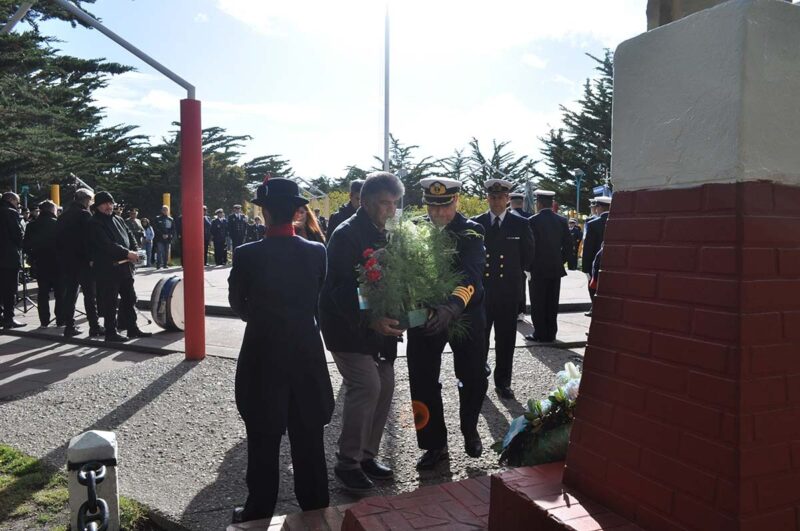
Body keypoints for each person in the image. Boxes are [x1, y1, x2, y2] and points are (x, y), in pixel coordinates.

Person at [229, 177, 333, 523]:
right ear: (297, 212)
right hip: (306, 354)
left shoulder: (246, 256)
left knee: (262, 436)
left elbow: (238, 307)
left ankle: (259, 508)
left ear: (266, 213)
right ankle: (316, 504)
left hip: (262, 354)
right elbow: (317, 297)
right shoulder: (317, 252)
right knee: (309, 437)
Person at [319, 171, 404, 492]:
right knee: (366, 384)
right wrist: (370, 319)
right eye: (385, 203)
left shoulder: (388, 231)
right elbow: (340, 289)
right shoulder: (346, 234)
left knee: (385, 386)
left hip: (380, 327)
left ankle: (367, 455)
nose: (391, 210)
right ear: (366, 201)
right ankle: (347, 463)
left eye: (395, 204)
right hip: (347, 324)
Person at [406, 177, 488, 470]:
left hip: (463, 312)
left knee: (472, 375)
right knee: (421, 378)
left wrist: (452, 307)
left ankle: (469, 427)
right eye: (432, 206)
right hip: (424, 314)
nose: (438, 213)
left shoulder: (471, 231)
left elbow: (472, 276)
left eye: (444, 206)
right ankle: (433, 444)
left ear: (456, 201)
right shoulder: (414, 229)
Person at [472, 180, 535, 400]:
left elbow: (528, 256)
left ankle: (503, 382)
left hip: (508, 292)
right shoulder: (477, 224)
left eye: (501, 197)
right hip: (483, 292)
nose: (497, 201)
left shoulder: (520, 225)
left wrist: (515, 276)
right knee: (480, 338)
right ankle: (478, 378)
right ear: (487, 198)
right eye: (493, 197)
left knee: (506, 340)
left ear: (508, 199)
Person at [89, 191, 151, 342]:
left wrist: (135, 251)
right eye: (104, 204)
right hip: (108, 267)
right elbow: (106, 244)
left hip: (125, 267)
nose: (108, 206)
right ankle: (111, 331)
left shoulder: (118, 219)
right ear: (97, 206)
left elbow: (130, 236)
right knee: (110, 301)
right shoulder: (94, 222)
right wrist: (127, 253)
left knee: (130, 298)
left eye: (110, 203)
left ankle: (132, 328)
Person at [524, 190, 573, 343]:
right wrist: (560, 260)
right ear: (552, 204)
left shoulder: (532, 220)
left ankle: (539, 333)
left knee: (538, 302)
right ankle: (551, 333)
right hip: (555, 268)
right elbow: (568, 246)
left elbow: (529, 246)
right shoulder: (561, 221)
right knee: (552, 302)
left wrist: (528, 266)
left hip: (537, 268)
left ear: (538, 203)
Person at [57, 188, 103, 337]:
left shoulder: (63, 216)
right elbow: (89, 239)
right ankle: (94, 326)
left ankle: (69, 326)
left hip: (67, 261)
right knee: (90, 295)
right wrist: (91, 258)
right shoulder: (85, 215)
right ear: (86, 200)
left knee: (70, 294)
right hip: (83, 261)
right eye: (91, 201)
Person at [23, 200, 62, 328]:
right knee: (59, 292)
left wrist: (33, 257)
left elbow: (26, 246)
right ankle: (60, 319)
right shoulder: (58, 224)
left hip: (40, 262)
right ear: (52, 210)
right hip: (57, 262)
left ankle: (44, 320)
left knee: (43, 293)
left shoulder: (31, 225)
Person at [582, 196, 611, 314]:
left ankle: (595, 310)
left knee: (594, 291)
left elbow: (588, 248)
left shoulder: (593, 224)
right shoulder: (619, 221)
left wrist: (585, 268)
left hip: (596, 264)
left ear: (599, 207)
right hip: (612, 264)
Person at [0, 192, 25, 328]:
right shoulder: (10, 213)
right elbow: (17, 234)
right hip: (8, 257)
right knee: (10, 289)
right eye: (17, 201)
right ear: (11, 200)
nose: (18, 204)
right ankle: (9, 318)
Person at [153, 205, 175, 269]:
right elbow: (156, 228)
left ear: (168, 211)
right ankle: (158, 265)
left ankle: (165, 264)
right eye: (164, 210)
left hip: (167, 239)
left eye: (166, 210)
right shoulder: (157, 218)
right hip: (159, 238)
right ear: (162, 211)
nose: (165, 211)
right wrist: (162, 234)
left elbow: (173, 229)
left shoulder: (171, 219)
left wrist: (168, 235)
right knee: (159, 251)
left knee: (166, 252)